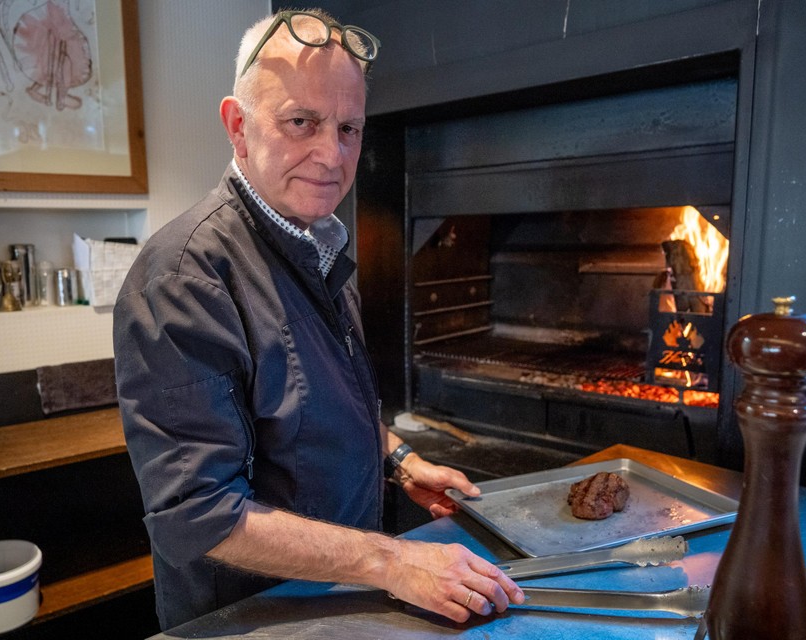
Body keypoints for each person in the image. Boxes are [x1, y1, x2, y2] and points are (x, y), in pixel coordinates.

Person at [113, 8, 525, 630]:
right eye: (300, 121)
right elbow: (197, 513)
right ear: (237, 126)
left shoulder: (315, 243)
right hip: (251, 615)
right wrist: (394, 561)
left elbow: (314, 407)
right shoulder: (183, 278)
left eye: (349, 128)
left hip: (338, 596)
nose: (331, 154)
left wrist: (400, 461)